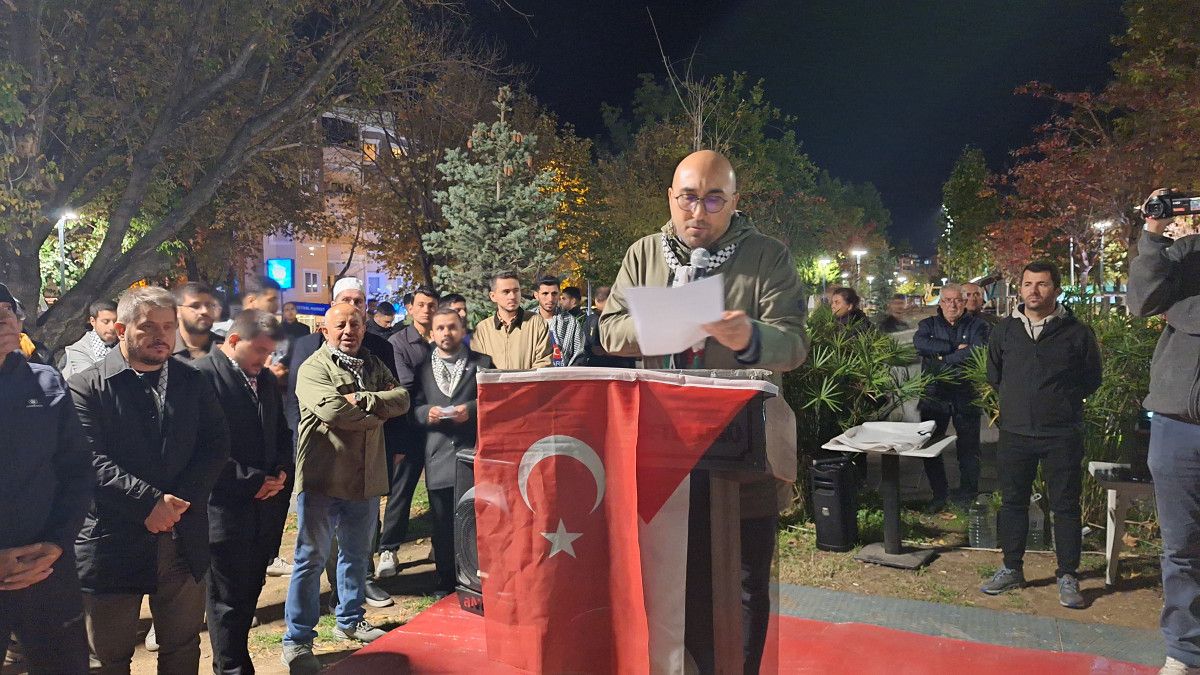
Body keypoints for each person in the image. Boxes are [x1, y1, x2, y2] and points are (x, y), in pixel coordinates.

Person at [601, 150, 808, 673]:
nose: (698, 211)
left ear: (735, 202)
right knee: (671, 574)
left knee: (744, 581)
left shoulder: (767, 256)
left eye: (714, 199)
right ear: (670, 198)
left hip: (745, 448)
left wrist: (748, 337)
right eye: (688, 198)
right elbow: (609, 330)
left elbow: (794, 345)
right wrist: (667, 323)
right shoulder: (643, 254)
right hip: (663, 446)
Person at [69, 285, 230, 674]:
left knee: (182, 647)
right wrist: (149, 503)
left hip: (181, 536)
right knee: (108, 657)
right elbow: (90, 460)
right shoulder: (86, 386)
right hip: (112, 540)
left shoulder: (193, 381)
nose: (161, 336)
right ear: (121, 330)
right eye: (148, 327)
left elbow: (215, 445)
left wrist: (176, 504)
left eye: (168, 326)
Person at [282, 304, 410, 673]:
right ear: (325, 330)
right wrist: (379, 412)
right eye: (340, 325)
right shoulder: (313, 368)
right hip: (323, 479)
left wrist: (366, 400)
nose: (348, 331)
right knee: (310, 560)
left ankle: (350, 620)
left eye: (355, 324)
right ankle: (297, 640)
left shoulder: (373, 363)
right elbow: (335, 413)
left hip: (365, 479)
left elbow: (402, 399)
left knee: (356, 555)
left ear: (364, 328)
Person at [981, 261, 1101, 611]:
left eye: (1042, 284)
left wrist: (1060, 402)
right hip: (1015, 432)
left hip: (1061, 434)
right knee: (1012, 503)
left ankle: (1068, 574)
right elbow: (994, 374)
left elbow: (1091, 378)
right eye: (1028, 284)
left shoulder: (1077, 333)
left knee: (1065, 506)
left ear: (1056, 289)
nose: (1033, 291)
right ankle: (1011, 568)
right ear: (1020, 288)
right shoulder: (1004, 331)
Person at [281, 277, 395, 608]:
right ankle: (324, 601)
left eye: (359, 302)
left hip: (366, 458)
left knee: (362, 534)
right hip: (324, 459)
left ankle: (358, 593)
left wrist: (373, 412)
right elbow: (300, 403)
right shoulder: (307, 349)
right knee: (319, 543)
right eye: (346, 300)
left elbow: (397, 397)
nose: (353, 308)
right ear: (330, 311)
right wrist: (297, 441)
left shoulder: (379, 349)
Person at [0, 283, 93, 673]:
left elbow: (76, 470)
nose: (3, 318)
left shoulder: (46, 382)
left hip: (47, 567)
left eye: (8, 309)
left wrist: (57, 543)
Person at [195, 310, 293, 674]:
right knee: (226, 601)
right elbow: (201, 449)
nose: (265, 360)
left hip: (263, 509)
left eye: (269, 352)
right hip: (224, 509)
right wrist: (252, 480)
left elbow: (280, 430)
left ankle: (236, 662)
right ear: (234, 341)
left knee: (249, 592)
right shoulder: (201, 376)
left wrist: (281, 471)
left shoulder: (263, 378)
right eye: (260, 350)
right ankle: (231, 668)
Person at [1127, 188, 1200, 675]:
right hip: (1177, 422)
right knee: (1181, 546)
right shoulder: (1186, 253)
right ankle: (1185, 652)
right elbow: (1141, 301)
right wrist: (1153, 231)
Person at [411, 308, 492, 595]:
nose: (447, 333)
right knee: (442, 523)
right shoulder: (422, 368)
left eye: (452, 327)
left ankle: (478, 579)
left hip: (472, 456)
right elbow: (412, 407)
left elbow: (493, 401)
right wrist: (426, 413)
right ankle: (445, 581)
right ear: (432, 334)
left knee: (476, 521)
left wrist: (470, 410)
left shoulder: (482, 363)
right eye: (441, 328)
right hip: (438, 456)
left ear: (463, 329)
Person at [378, 286, 441, 577]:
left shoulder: (445, 336)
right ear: (410, 308)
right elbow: (405, 386)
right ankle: (388, 548)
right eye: (421, 304)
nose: (426, 310)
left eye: (432, 305)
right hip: (411, 428)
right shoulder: (398, 342)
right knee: (401, 491)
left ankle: (441, 544)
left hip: (443, 430)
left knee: (441, 490)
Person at [913, 283, 988, 512]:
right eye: (947, 300)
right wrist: (955, 347)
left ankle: (968, 495)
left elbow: (977, 350)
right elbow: (920, 343)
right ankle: (939, 494)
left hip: (966, 393)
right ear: (941, 302)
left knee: (969, 450)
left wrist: (942, 359)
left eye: (957, 300)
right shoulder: (928, 325)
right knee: (930, 447)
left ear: (964, 302)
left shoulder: (978, 325)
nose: (952, 305)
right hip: (935, 395)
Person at [472, 272, 552, 370]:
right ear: (493, 296)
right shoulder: (483, 329)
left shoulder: (536, 323)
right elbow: (477, 367)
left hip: (529, 380)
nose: (512, 296)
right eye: (506, 292)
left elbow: (544, 362)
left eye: (516, 291)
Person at [59, 299, 119, 378]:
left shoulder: (126, 342)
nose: (112, 327)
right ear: (93, 321)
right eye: (106, 322)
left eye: (115, 321)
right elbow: (92, 380)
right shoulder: (79, 351)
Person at [535, 275, 586, 366]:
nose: (550, 299)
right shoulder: (527, 321)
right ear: (536, 295)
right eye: (545, 294)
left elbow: (579, 355)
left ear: (559, 295)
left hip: (563, 373)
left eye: (554, 294)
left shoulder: (571, 323)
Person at [583, 286, 636, 368]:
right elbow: (593, 348)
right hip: (602, 367)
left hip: (619, 368)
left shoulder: (624, 319)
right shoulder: (592, 320)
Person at [174, 282, 225, 361]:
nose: (205, 311)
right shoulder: (164, 350)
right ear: (177, 311)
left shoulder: (226, 348)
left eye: (209, 305)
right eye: (195, 306)